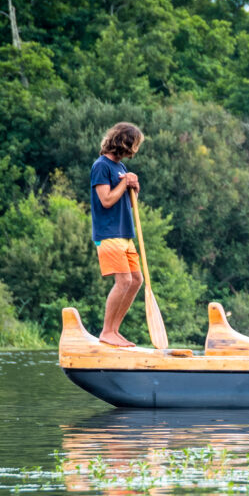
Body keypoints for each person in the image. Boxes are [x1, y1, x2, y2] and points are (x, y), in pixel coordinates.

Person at [90, 122, 145, 347]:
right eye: (134, 145)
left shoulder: (120, 168)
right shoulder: (101, 166)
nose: (135, 150)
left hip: (125, 233)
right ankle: (106, 331)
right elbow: (106, 200)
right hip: (108, 233)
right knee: (123, 281)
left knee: (136, 281)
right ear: (125, 142)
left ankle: (114, 330)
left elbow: (128, 205)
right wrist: (125, 184)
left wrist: (135, 189)